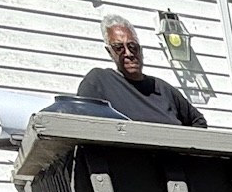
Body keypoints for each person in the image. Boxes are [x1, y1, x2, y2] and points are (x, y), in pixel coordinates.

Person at [76, 15, 206, 127]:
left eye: (132, 46)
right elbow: (83, 123)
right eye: (119, 48)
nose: (128, 53)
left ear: (140, 49)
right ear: (109, 52)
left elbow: (198, 121)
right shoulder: (100, 81)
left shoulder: (164, 89)